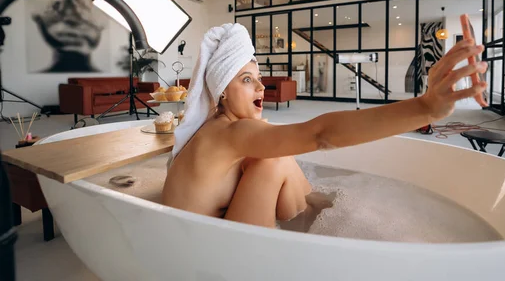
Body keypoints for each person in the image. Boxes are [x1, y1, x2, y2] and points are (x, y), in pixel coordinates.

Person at [161, 23, 487, 228]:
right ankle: (321, 217)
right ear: (221, 94)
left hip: (196, 238)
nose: (261, 88)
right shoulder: (233, 133)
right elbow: (320, 133)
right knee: (272, 161)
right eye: (247, 80)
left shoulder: (222, 130)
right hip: (208, 258)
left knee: (275, 155)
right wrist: (425, 108)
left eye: (259, 79)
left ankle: (321, 214)